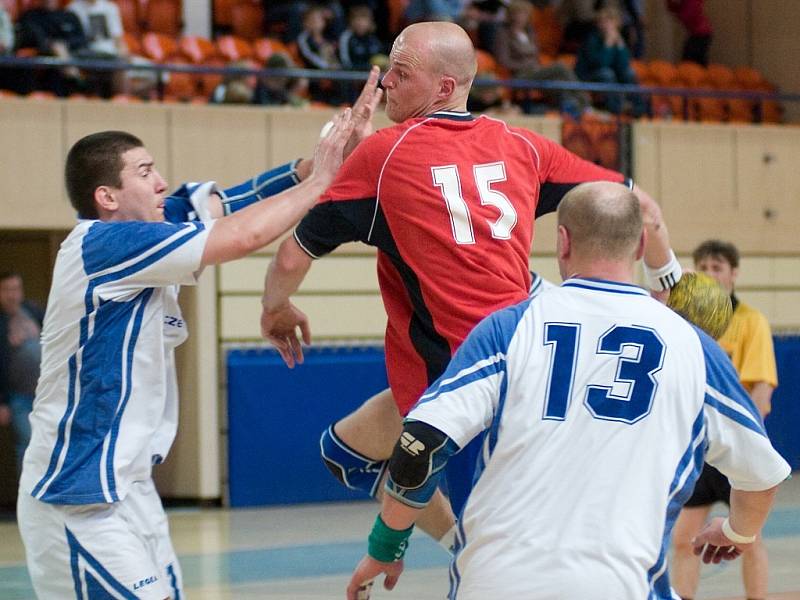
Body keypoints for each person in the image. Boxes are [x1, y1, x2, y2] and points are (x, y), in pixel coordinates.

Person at [260, 20, 682, 551]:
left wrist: (275, 308)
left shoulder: (384, 155)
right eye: (387, 67)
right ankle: (465, 545)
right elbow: (641, 206)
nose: (386, 81)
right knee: (345, 453)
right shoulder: (523, 146)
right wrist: (672, 285)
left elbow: (291, 254)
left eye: (401, 71)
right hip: (529, 357)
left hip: (456, 378)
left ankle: (466, 549)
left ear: (443, 87)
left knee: (501, 544)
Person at [345, 181, 790, 599]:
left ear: (561, 241)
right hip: (616, 584)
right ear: (638, 247)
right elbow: (763, 475)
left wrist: (386, 545)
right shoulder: (695, 348)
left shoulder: (508, 327)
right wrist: (736, 533)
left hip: (492, 581)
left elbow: (420, 443)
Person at [15, 109, 356, 599]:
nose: (162, 182)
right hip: (77, 495)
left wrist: (312, 166)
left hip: (129, 488)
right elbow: (244, 235)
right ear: (106, 197)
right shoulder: (104, 243)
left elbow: (232, 203)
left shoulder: (150, 229)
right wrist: (321, 182)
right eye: (145, 172)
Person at [670, 239, 779, 600]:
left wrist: (749, 442)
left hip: (732, 447)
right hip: (698, 450)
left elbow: (761, 392)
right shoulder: (685, 325)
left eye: (717, 267)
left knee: (747, 537)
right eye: (702, 267)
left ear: (733, 275)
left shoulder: (750, 322)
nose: (709, 274)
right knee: (683, 539)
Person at [493, 0, 589, 117]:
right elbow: (503, 61)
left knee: (558, 81)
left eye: (524, 14)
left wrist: (534, 65)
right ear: (511, 15)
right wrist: (526, 65)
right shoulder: (504, 33)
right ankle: (585, 102)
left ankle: (573, 111)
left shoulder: (529, 32)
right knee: (560, 67)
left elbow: (536, 54)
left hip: (536, 71)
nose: (520, 17)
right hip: (520, 75)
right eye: (517, 13)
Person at [0, 273, 44, 476]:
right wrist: (2, 402)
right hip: (19, 398)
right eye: (7, 290)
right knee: (28, 445)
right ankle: (26, 500)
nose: (12, 295)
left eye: (16, 289)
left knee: (48, 446)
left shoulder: (33, 310)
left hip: (46, 394)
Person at [574, 5, 644, 115]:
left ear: (617, 23)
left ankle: (638, 110)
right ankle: (616, 109)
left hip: (609, 74)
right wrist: (608, 45)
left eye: (610, 21)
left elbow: (624, 66)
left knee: (630, 73)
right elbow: (600, 64)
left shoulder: (618, 38)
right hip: (587, 75)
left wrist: (620, 46)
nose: (607, 25)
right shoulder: (592, 39)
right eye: (604, 21)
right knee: (607, 74)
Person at [666, 0, 712, 66]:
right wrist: (670, 3)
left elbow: (686, 15)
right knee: (695, 60)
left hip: (701, 33)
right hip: (698, 33)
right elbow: (678, 9)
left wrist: (677, 11)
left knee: (690, 61)